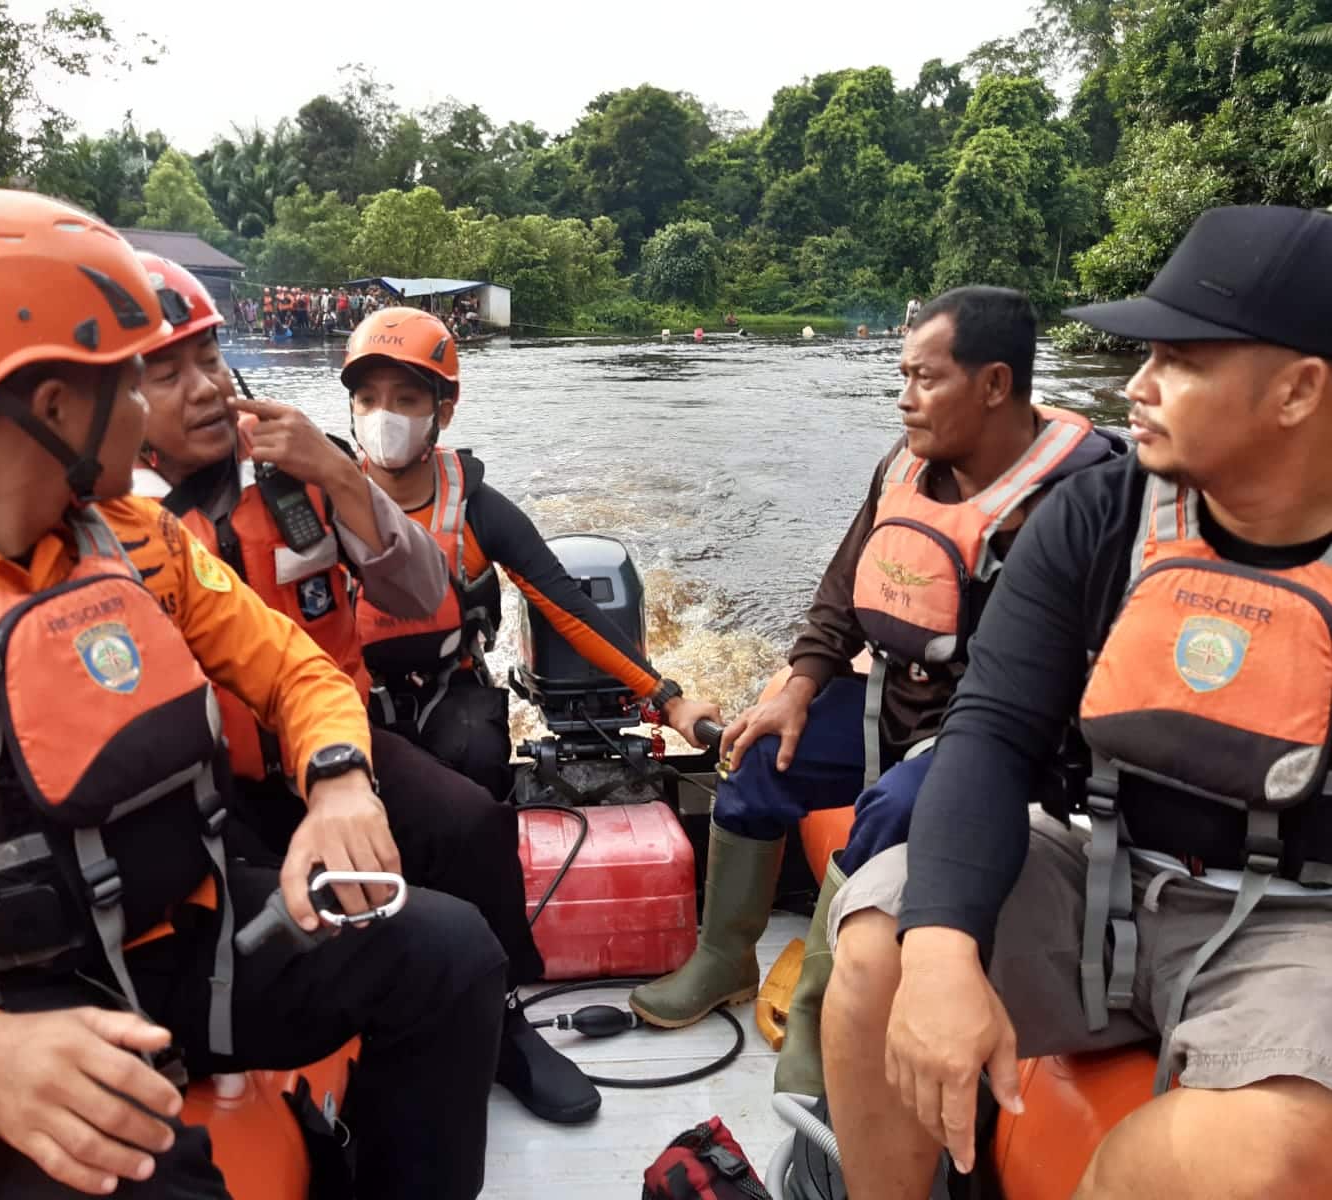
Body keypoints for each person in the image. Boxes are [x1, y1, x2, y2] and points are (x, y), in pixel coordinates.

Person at [0, 188, 507, 1199]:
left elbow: (290, 666)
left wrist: (339, 776)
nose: (157, 411)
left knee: (452, 956)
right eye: (131, 383)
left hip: (189, 946)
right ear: (55, 407)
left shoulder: (138, 545)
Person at [823, 204, 1332, 1199]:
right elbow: (993, 730)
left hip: (1300, 927)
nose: (1136, 388)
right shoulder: (1105, 512)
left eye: (1180, 361)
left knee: (1248, 1158)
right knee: (880, 942)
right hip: (1103, 874)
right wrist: (939, 949)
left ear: (1298, 391)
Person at [130, 253, 600, 1125]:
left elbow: (420, 593)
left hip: (331, 739)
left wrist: (342, 477)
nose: (200, 390)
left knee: (467, 819)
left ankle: (502, 1025)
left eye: (207, 361)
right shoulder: (107, 515)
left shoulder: (297, 464)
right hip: (205, 782)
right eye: (166, 372)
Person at [629, 288, 1120, 1107]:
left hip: (1002, 749)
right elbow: (841, 590)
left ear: (994, 385)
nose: (903, 397)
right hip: (886, 707)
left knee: (891, 809)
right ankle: (723, 960)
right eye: (902, 376)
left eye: (924, 379)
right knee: (756, 759)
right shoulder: (902, 464)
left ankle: (823, 1020)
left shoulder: (1082, 500)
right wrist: (800, 684)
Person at [340, 308, 721, 798]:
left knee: (477, 755)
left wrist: (668, 701)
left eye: (406, 399)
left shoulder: (480, 511)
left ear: (445, 409)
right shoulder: (320, 500)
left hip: (448, 690)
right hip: (343, 692)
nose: (382, 417)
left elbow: (569, 609)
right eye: (367, 400)